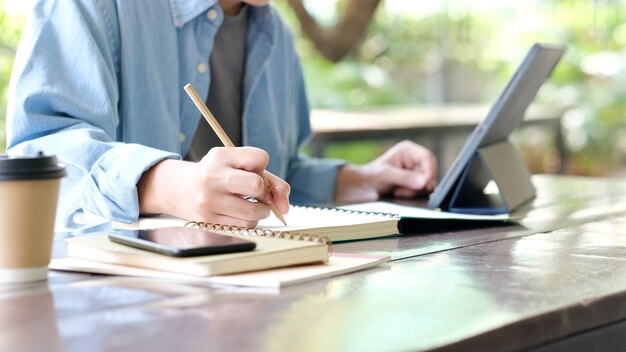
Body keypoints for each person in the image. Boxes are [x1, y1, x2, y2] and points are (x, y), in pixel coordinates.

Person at [7, 0, 437, 229]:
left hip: (250, 303)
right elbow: (38, 158)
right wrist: (167, 185)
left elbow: (278, 175)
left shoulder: (275, 35)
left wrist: (362, 179)